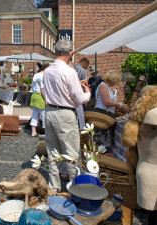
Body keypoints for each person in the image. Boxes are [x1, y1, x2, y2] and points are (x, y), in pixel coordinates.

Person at [43, 39, 91, 192]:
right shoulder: (69, 71)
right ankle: (74, 188)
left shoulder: (48, 70)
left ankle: (54, 186)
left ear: (56, 51)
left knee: (52, 152)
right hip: (65, 113)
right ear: (70, 53)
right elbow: (79, 98)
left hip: (50, 111)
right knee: (71, 153)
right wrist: (88, 93)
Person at [93, 70, 130, 150]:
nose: (116, 83)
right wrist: (120, 105)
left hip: (105, 115)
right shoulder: (103, 86)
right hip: (102, 116)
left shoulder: (106, 87)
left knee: (101, 139)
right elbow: (106, 102)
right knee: (99, 139)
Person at [30, 63, 50, 137]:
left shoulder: (36, 75)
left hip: (34, 96)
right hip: (40, 97)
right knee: (44, 115)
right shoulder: (42, 76)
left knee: (35, 115)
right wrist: (46, 99)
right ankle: (45, 133)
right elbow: (42, 89)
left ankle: (33, 132)